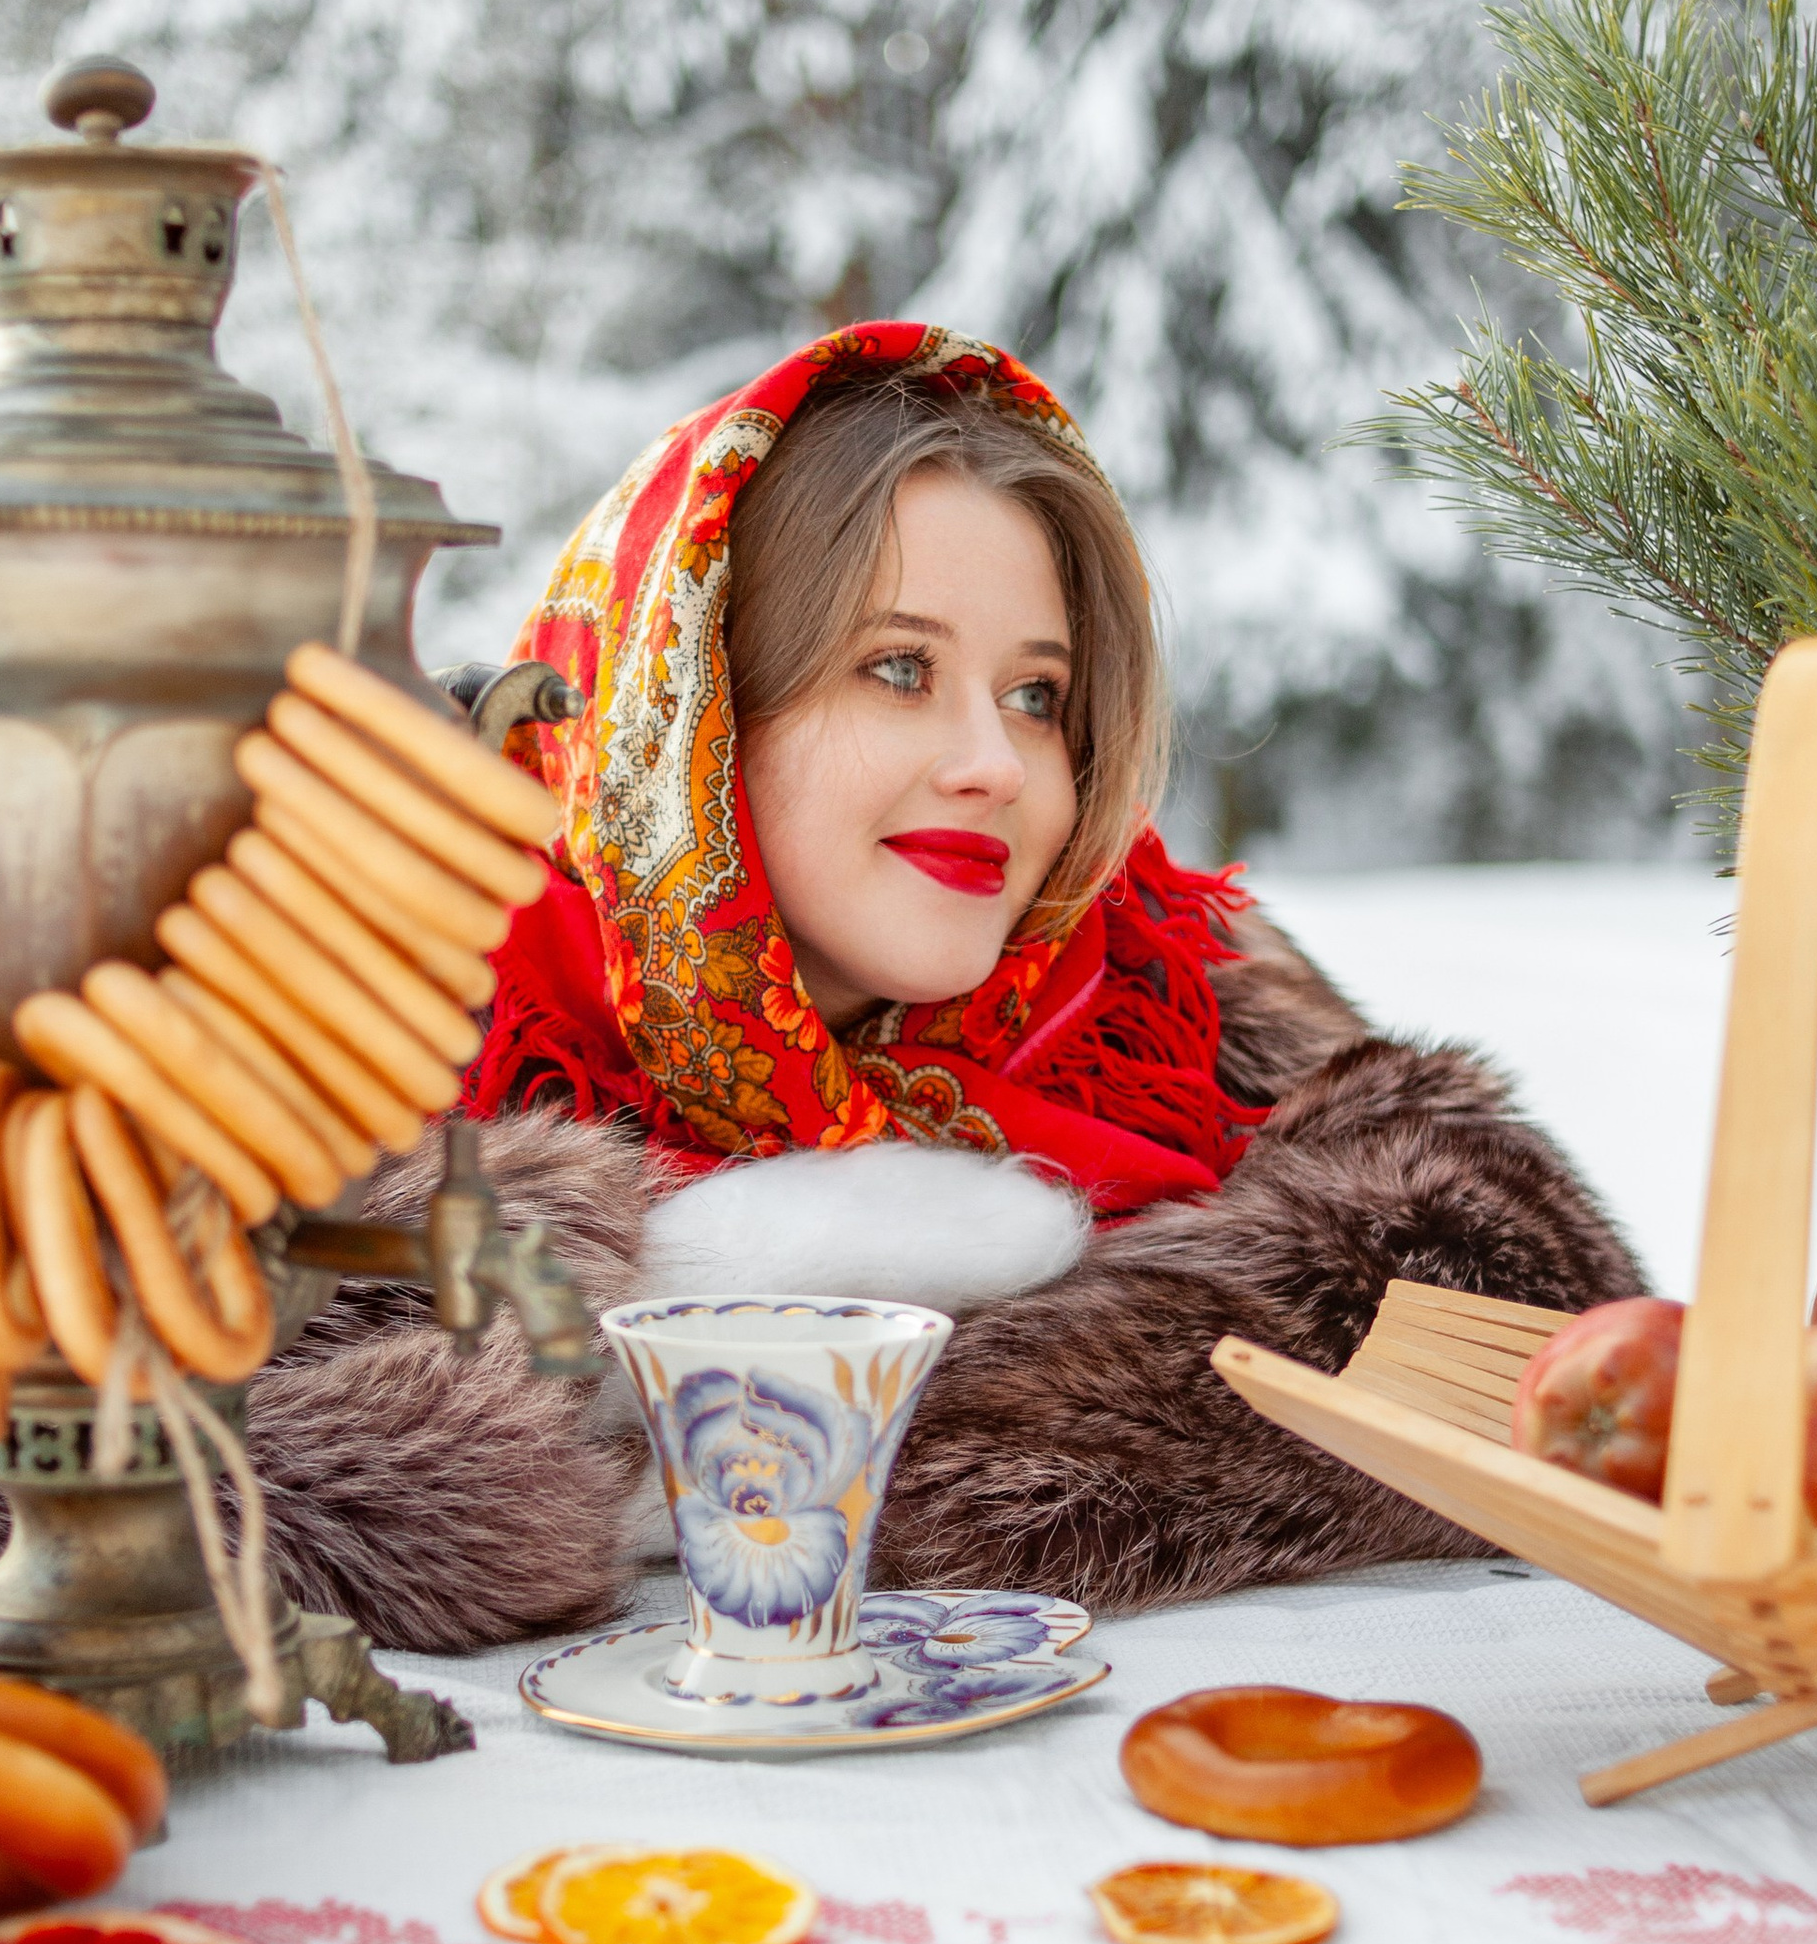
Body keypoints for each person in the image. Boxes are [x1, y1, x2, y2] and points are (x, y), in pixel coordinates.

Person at [248, 321, 1638, 1652]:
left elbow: (1558, 1355)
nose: (995, 763)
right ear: (689, 703)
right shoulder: (371, 966)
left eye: (1039, 694)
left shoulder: (1154, 967)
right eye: (898, 669)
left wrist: (941, 1402)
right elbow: (92, 1455)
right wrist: (700, 1281)